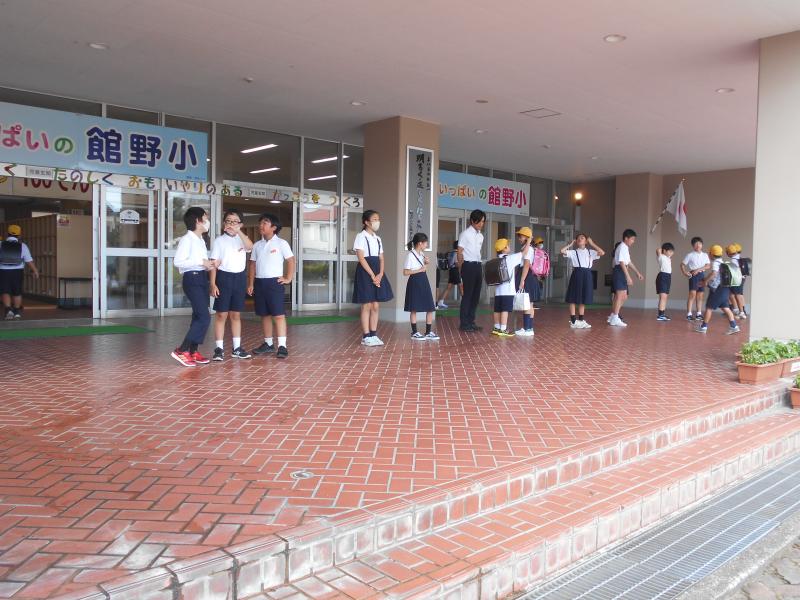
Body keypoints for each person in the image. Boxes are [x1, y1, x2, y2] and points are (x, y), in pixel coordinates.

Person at [171, 207, 219, 367]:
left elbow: (201, 262)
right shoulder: (187, 239)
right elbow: (178, 261)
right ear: (198, 220)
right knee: (204, 317)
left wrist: (210, 264)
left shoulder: (200, 240)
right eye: (205, 217)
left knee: (198, 316)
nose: (207, 221)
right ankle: (182, 350)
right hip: (192, 279)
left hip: (201, 278)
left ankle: (193, 351)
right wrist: (201, 262)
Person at [209, 209, 254, 361]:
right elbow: (214, 263)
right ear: (224, 223)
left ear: (240, 224)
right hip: (223, 277)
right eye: (228, 221)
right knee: (221, 314)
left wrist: (238, 231)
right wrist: (213, 283)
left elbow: (250, 247)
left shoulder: (242, 239)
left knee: (236, 314)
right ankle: (219, 349)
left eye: (235, 221)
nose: (231, 224)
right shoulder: (219, 241)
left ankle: (237, 348)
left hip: (239, 278)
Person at [248, 213, 295, 359]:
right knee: (264, 315)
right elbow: (252, 265)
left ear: (273, 227)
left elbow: (291, 260)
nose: (261, 225)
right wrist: (251, 283)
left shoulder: (281, 243)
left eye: (265, 223)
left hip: (274, 283)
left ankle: (282, 346)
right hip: (260, 282)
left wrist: (288, 278)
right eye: (261, 222)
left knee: (278, 315)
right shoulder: (257, 245)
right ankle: (268, 344)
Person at [353, 210, 393, 346]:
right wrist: (372, 275)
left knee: (375, 305)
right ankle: (366, 336)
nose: (377, 222)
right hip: (365, 272)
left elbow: (381, 258)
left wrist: (380, 274)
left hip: (377, 272)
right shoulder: (360, 236)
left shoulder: (378, 238)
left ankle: (373, 334)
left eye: (378, 219)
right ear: (366, 222)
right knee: (367, 304)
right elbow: (361, 258)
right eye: (374, 219)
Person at [561, 232, 605, 329]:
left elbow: (602, 252)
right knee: (573, 297)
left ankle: (581, 320)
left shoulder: (590, 252)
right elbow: (562, 251)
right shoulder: (573, 252)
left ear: (586, 241)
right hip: (577, 273)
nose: (580, 239)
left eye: (582, 238)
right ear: (576, 242)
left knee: (583, 297)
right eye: (578, 238)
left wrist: (592, 243)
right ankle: (573, 321)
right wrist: (570, 244)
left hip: (587, 274)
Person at [695, 244, 741, 335]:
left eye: (709, 253)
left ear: (712, 254)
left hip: (718, 289)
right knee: (725, 307)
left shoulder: (716, 263)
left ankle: (703, 327)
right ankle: (734, 326)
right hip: (724, 289)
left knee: (709, 307)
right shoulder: (722, 262)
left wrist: (705, 282)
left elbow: (714, 273)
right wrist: (706, 280)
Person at [403, 233, 439, 341]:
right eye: (425, 243)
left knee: (430, 306)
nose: (426, 245)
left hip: (423, 280)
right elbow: (405, 272)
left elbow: (423, 269)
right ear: (420, 243)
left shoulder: (422, 254)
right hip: (414, 281)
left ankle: (428, 332)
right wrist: (420, 270)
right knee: (414, 308)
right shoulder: (410, 255)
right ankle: (414, 332)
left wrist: (426, 263)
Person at [491, 237, 528, 338]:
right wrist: (528, 240)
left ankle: (496, 328)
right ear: (504, 248)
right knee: (505, 310)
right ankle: (503, 329)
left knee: (497, 309)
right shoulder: (510, 258)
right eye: (507, 245)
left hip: (498, 291)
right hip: (507, 291)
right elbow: (524, 253)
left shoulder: (496, 260)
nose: (509, 247)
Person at [0, 224, 39, 320]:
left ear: (7, 234)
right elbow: (29, 261)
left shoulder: (1, 244)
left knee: (5, 291)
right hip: (17, 272)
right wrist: (35, 271)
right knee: (17, 292)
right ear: (19, 235)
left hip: (3, 271)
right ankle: (16, 312)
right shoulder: (23, 246)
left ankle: (8, 310)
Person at [457, 209, 486, 332]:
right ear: (473, 221)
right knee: (468, 295)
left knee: (475, 296)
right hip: (468, 266)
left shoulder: (481, 236)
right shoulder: (465, 234)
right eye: (479, 221)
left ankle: (471, 321)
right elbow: (459, 252)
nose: (481, 224)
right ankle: (464, 324)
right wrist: (460, 269)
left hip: (478, 266)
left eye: (483, 221)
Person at [608, 229, 643, 327]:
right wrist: (628, 276)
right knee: (620, 295)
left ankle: (613, 316)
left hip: (622, 271)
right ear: (626, 238)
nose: (633, 241)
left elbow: (629, 261)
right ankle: (615, 317)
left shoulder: (625, 248)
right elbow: (622, 263)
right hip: (619, 271)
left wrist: (637, 272)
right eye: (632, 239)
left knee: (623, 296)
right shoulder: (622, 247)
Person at [680, 237, 711, 322]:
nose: (698, 245)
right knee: (692, 294)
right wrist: (685, 273)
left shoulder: (705, 255)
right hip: (693, 275)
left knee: (700, 295)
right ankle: (689, 314)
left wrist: (698, 269)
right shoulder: (690, 255)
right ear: (693, 245)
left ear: (702, 245)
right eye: (696, 244)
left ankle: (699, 314)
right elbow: (682, 264)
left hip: (702, 275)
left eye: (699, 243)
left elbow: (708, 266)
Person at [514, 227, 537, 336]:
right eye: (519, 236)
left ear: (527, 237)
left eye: (521, 236)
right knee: (529, 304)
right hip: (529, 277)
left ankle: (527, 329)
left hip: (526, 277)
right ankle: (528, 328)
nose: (519, 238)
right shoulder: (527, 248)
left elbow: (526, 265)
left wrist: (522, 280)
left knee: (527, 304)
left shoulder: (529, 249)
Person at [436, 241, 463, 310]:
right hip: (455, 271)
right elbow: (456, 264)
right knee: (460, 286)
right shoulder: (457, 253)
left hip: (451, 271)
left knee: (449, 287)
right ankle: (465, 302)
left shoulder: (451, 253)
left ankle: (441, 301)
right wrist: (462, 262)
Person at [727, 243, 747, 319]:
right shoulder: (740, 258)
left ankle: (741, 312)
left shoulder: (733, 260)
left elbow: (734, 271)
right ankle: (740, 311)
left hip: (736, 280)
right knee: (737, 294)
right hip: (742, 278)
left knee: (736, 295)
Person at [655, 242, 675, 321]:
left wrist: (668, 254)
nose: (671, 253)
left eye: (672, 252)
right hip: (662, 276)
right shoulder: (661, 257)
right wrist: (663, 251)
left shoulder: (668, 258)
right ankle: (660, 315)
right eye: (670, 251)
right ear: (664, 251)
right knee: (663, 296)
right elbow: (658, 249)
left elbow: (668, 255)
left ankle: (662, 314)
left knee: (665, 297)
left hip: (668, 277)